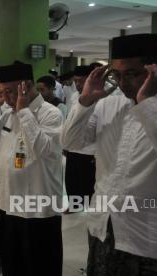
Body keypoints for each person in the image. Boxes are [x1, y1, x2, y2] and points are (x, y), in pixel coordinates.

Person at [62, 33, 157, 276]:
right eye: (117, 75)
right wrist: (86, 101)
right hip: (104, 226)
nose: (122, 83)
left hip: (153, 237)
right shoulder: (108, 105)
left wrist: (146, 102)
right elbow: (71, 142)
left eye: (131, 73)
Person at [0, 61, 64, 276]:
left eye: (9, 91)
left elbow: (42, 150)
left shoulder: (50, 114)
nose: (6, 97)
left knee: (40, 263)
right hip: (10, 202)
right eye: (2, 91)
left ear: (25, 86)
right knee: (13, 260)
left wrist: (24, 111)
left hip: (38, 204)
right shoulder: (7, 113)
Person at [63, 65, 96, 211]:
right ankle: (74, 205)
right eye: (76, 81)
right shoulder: (73, 97)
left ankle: (90, 207)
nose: (78, 84)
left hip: (90, 147)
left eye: (82, 81)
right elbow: (69, 119)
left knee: (87, 180)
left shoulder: (100, 97)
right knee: (71, 178)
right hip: (72, 145)